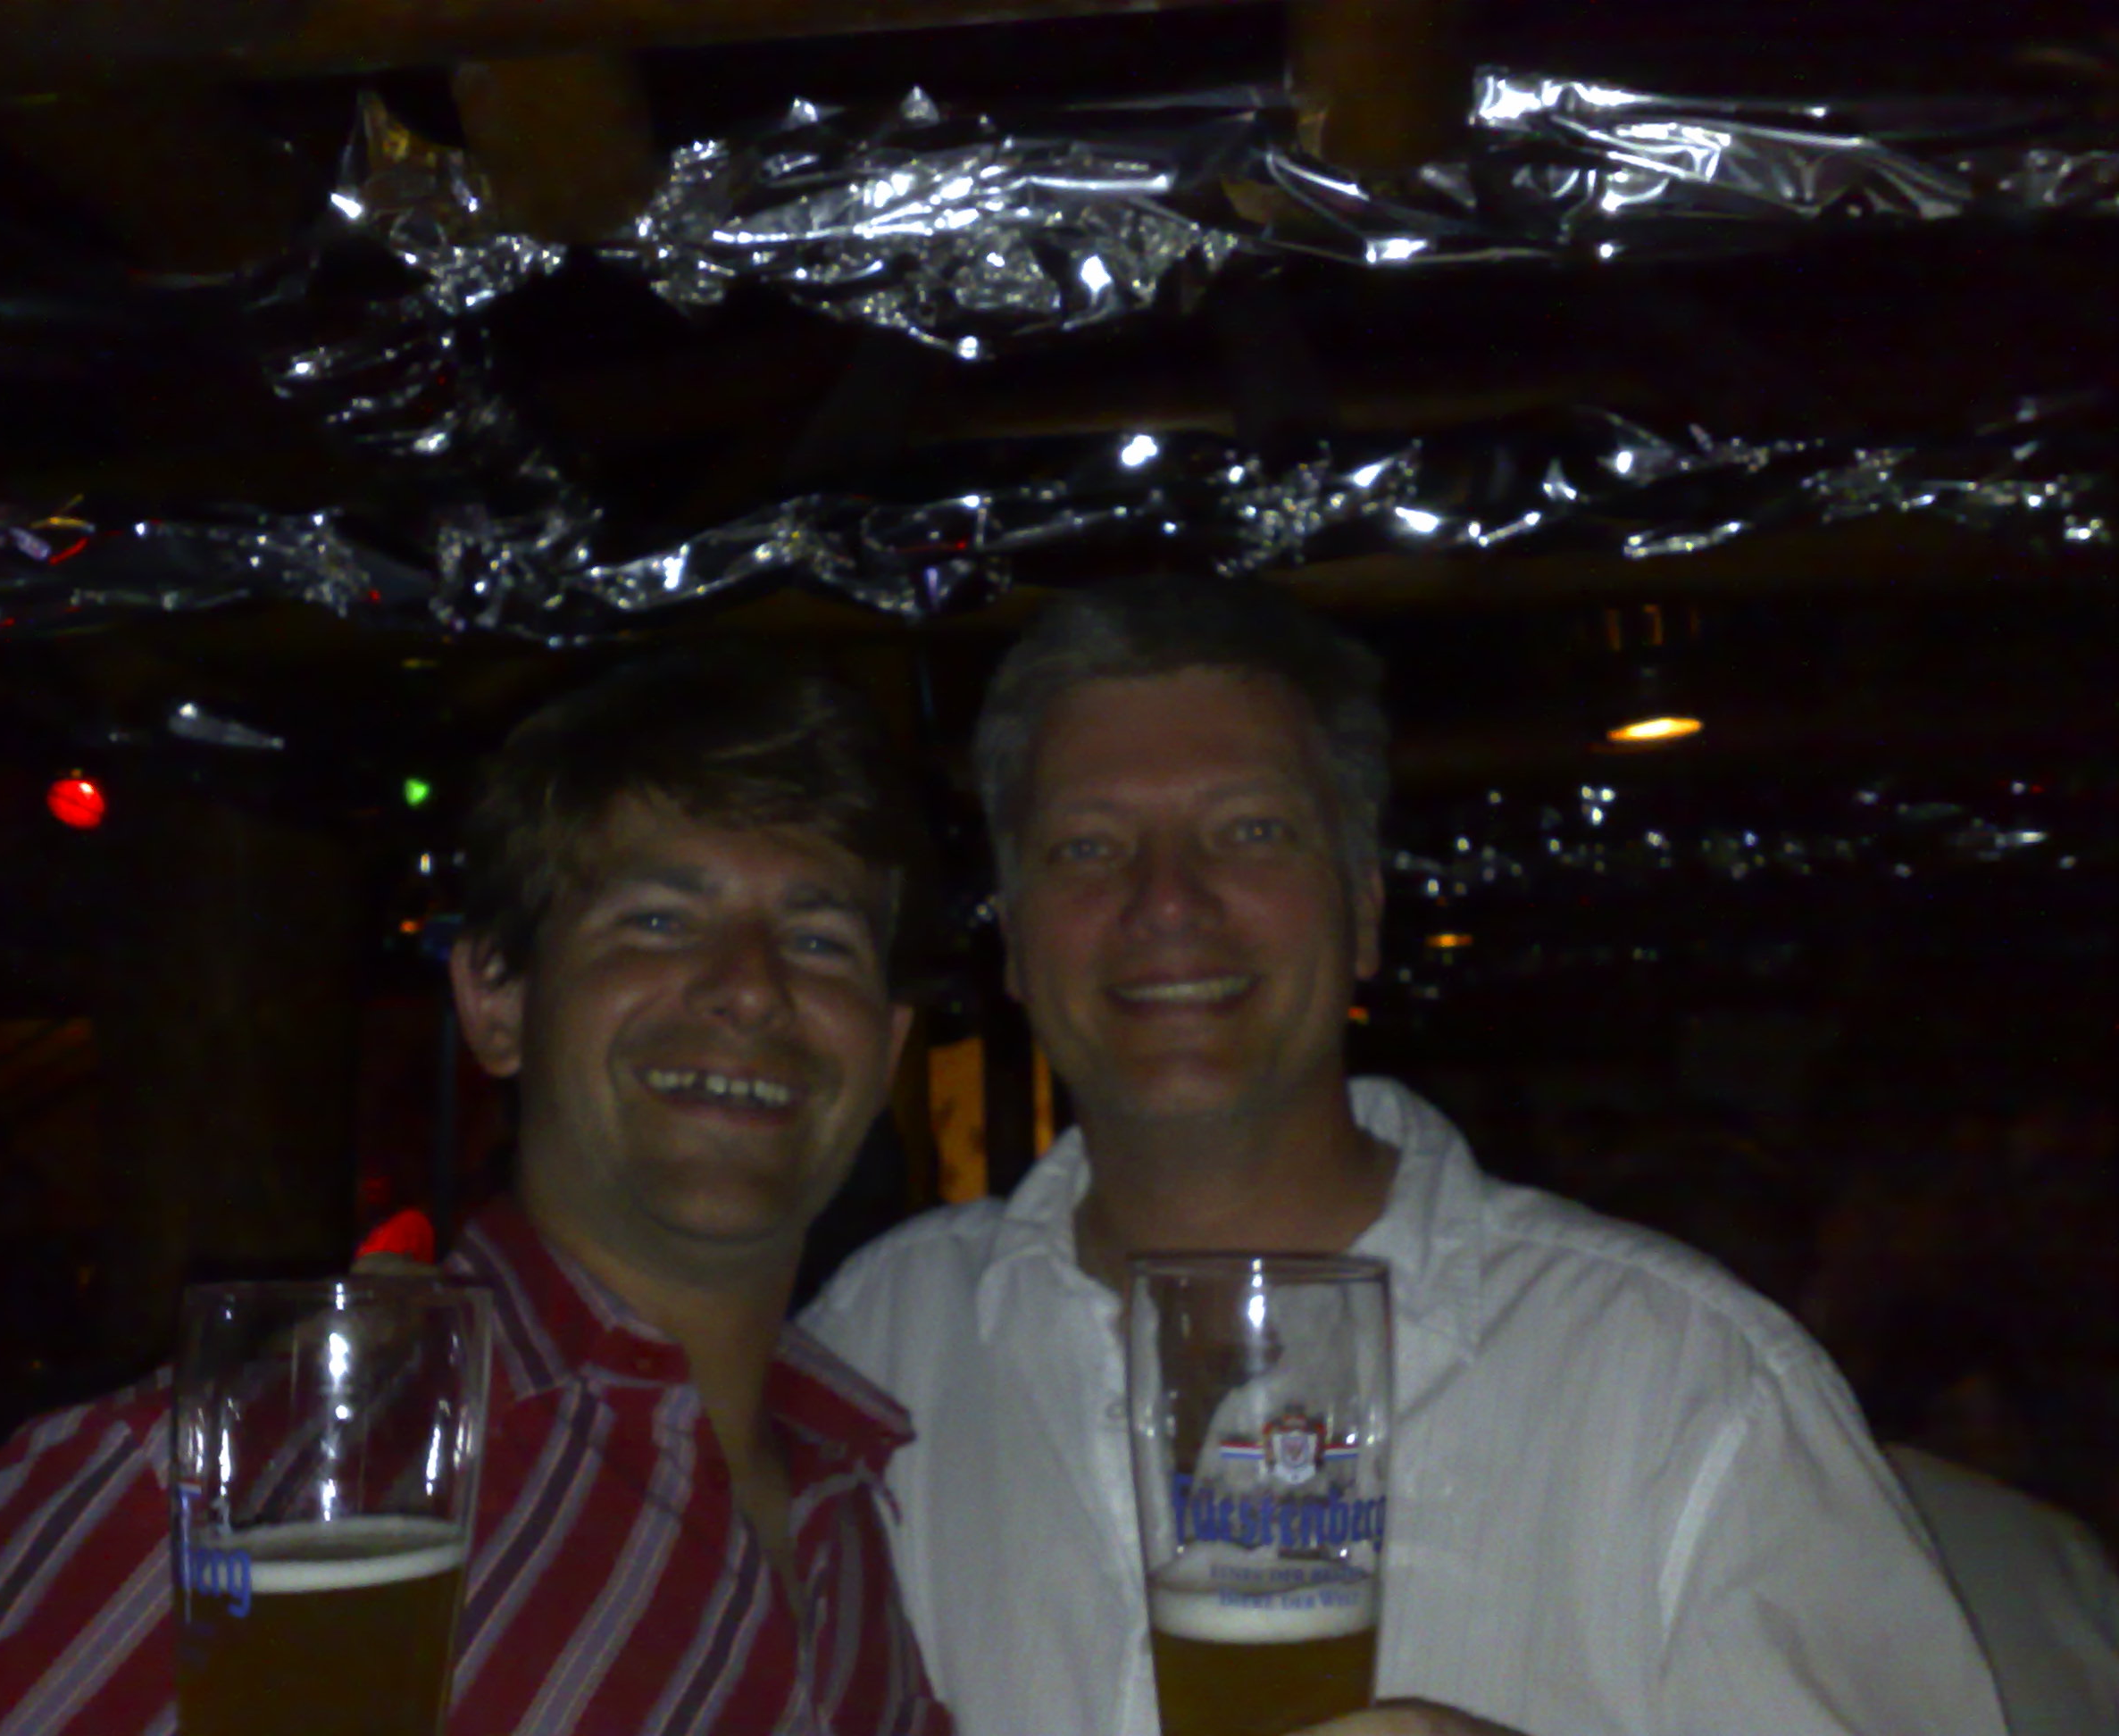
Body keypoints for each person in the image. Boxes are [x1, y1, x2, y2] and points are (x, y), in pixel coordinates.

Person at [804, 575, 2006, 1736]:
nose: (1167, 899)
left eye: (1251, 830)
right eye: (1087, 847)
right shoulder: (878, 1345)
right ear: (1015, 942)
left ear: (1365, 909)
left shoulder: (1686, 1383)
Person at [0, 648, 951, 1736]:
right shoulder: (240, 1474)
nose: (752, 988)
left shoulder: (862, 1496)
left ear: (887, 1049)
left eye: (820, 941)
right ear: (495, 1000)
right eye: (658, 921)